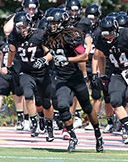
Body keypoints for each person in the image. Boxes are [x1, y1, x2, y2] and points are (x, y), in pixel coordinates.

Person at [41, 8, 104, 152]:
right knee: (62, 106)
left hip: (74, 77)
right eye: (51, 23)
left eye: (55, 23)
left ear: (63, 22)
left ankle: (98, 135)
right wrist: (44, 60)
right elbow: (54, 52)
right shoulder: (48, 37)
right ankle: (72, 136)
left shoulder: (71, 36)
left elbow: (84, 56)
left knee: (87, 107)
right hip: (61, 77)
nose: (52, 26)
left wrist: (68, 59)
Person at [94, 16, 128, 144]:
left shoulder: (127, 35)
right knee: (115, 100)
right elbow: (100, 56)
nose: (108, 38)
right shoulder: (99, 39)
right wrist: (102, 75)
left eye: (110, 34)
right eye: (105, 35)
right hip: (117, 72)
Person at [7, 11, 54, 141]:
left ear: (30, 24)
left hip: (42, 73)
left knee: (46, 103)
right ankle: (34, 124)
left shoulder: (40, 35)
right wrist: (8, 65)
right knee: (27, 94)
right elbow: (11, 51)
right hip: (26, 72)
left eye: (24, 27)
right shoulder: (13, 37)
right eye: (19, 28)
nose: (22, 31)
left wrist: (44, 60)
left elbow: (50, 52)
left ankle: (49, 126)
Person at [65, 0, 93, 129]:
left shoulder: (84, 23)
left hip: (80, 59)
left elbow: (88, 42)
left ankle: (77, 116)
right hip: (65, 59)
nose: (73, 13)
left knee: (81, 89)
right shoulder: (63, 22)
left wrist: (84, 55)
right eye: (71, 10)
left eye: (76, 10)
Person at [0, 38, 25, 131]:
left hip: (16, 73)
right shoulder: (3, 42)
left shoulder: (20, 41)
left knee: (18, 96)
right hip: (4, 74)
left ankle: (22, 120)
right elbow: (2, 58)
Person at [84, 4, 103, 130]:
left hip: (96, 62)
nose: (91, 21)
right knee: (80, 93)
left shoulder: (101, 30)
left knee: (96, 93)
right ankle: (78, 118)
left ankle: (94, 121)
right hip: (83, 62)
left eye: (94, 18)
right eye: (89, 18)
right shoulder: (81, 28)